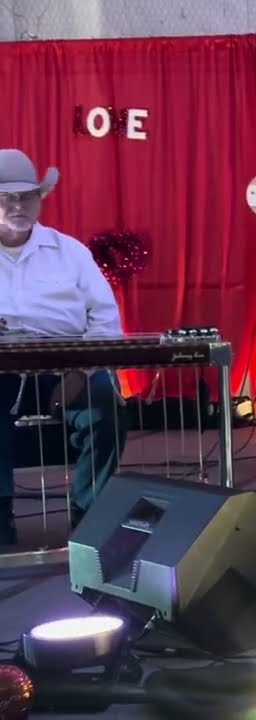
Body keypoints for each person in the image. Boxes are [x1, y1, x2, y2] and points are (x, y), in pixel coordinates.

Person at [0, 149, 127, 546]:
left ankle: (90, 512)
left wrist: (81, 371)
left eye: (27, 197)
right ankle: (0, 510)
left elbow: (106, 321)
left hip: (69, 363)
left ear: (41, 199)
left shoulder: (70, 251)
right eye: (7, 198)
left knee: (104, 407)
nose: (19, 206)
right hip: (2, 368)